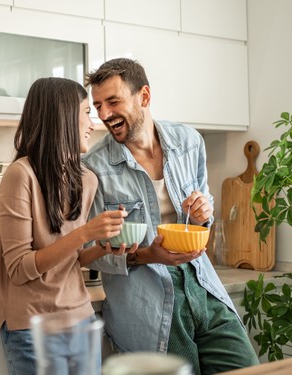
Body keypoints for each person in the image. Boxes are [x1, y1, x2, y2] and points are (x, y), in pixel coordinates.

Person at [82, 58, 260, 375]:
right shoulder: (95, 167)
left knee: (247, 368)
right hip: (148, 306)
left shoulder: (189, 142)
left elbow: (201, 216)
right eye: (97, 106)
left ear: (144, 97)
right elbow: (91, 253)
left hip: (204, 286)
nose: (104, 115)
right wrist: (151, 255)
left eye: (113, 101)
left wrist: (203, 212)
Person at [0, 77, 136, 375]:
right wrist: (85, 233)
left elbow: (73, 258)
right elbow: (20, 268)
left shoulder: (86, 179)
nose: (93, 124)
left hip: (81, 320)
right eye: (86, 112)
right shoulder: (20, 176)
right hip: (33, 328)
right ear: (61, 117)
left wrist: (101, 246)